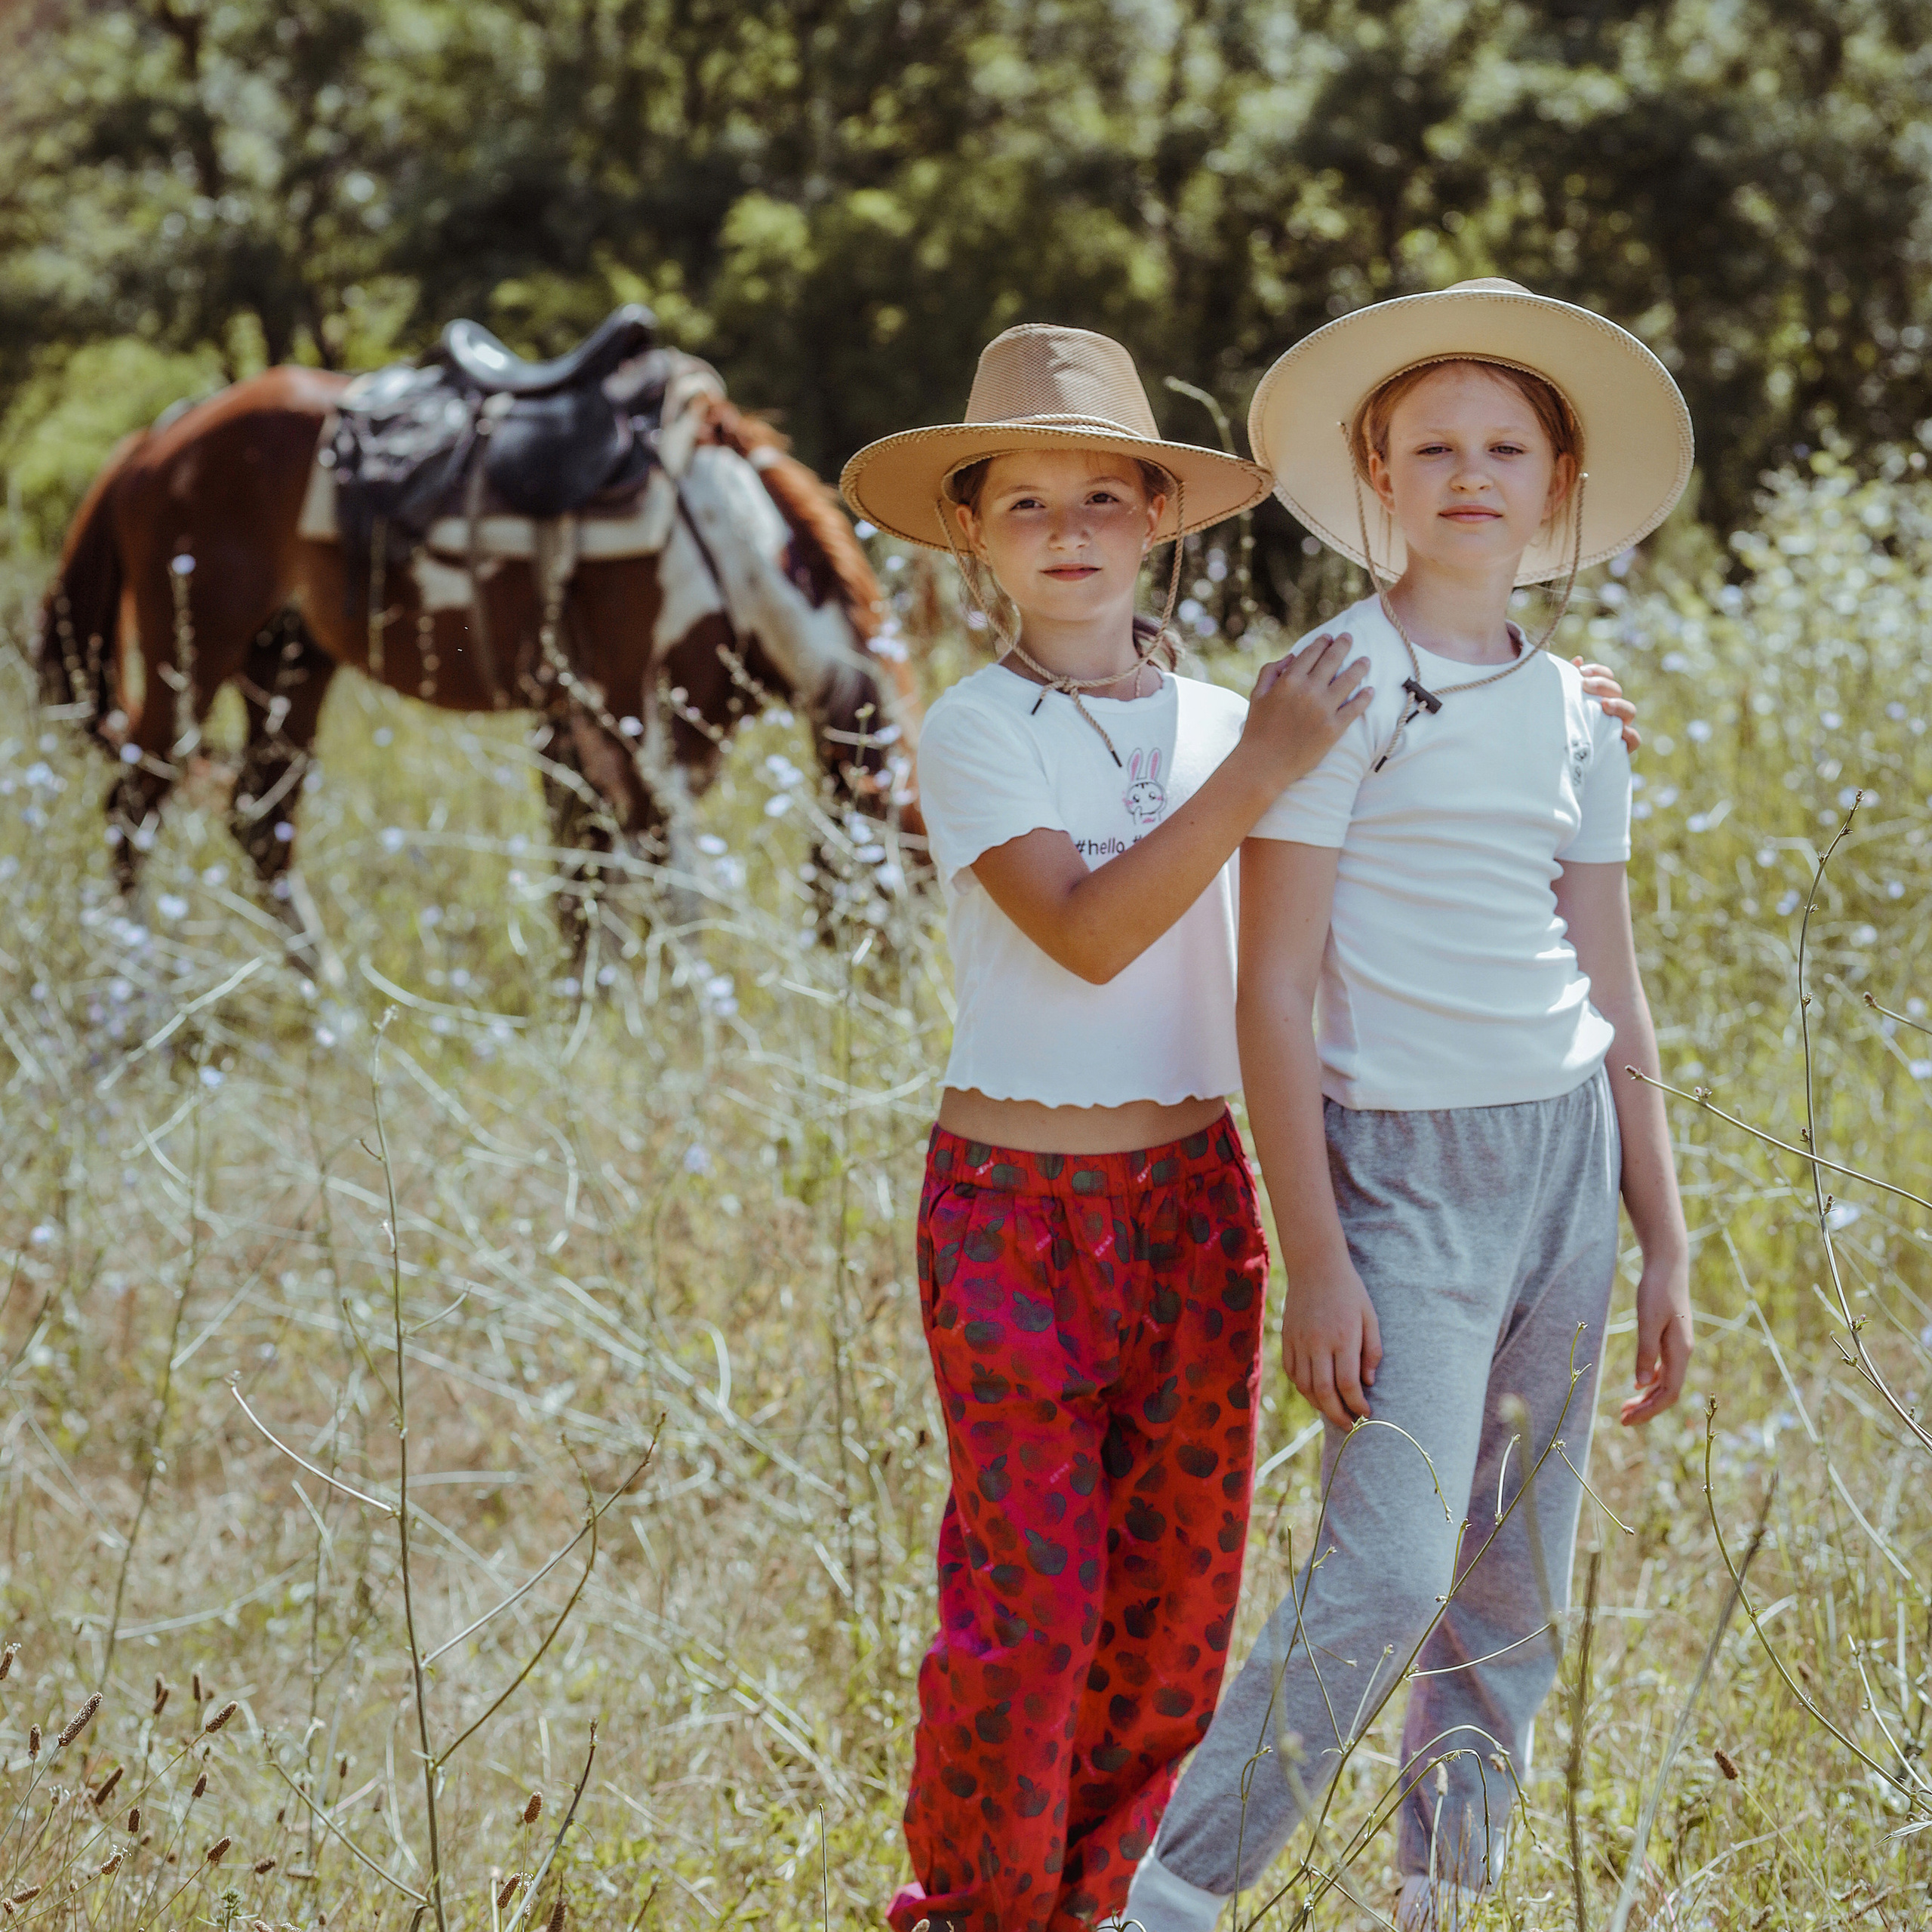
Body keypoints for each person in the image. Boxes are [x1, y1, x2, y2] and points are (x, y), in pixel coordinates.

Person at [1124, 279, 1697, 1932]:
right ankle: (1164, 1888)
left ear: (1553, 480)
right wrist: (1316, 1254)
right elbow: (1270, 986)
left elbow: (1613, 973)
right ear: (1376, 475)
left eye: (1502, 446)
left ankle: (1439, 1894)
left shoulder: (1579, 712)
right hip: (1400, 1174)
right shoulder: (1334, 686)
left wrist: (1663, 1233)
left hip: (1563, 1161)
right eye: (1429, 445)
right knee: (1386, 1565)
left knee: (1507, 1586)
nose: (1468, 472)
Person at [841, 321, 1376, 1932]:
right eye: (1022, 504)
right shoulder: (972, 727)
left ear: (1157, 513)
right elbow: (1083, 928)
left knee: (1174, 1598)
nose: (1065, 531)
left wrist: (1572, 722)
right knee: (1034, 1593)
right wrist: (1261, 764)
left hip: (1194, 1200)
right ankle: (982, 1900)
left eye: (1098, 496)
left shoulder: (1229, 719)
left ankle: (1106, 1900)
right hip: (1013, 1205)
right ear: (969, 532)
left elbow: (1405, 805)